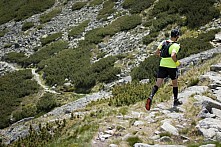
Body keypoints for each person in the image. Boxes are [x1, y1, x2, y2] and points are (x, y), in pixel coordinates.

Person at [145, 28, 182, 111]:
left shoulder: (163, 42)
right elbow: (173, 55)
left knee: (158, 83)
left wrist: (163, 57)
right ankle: (175, 100)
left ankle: (151, 96)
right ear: (177, 36)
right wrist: (177, 63)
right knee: (175, 83)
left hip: (162, 65)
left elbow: (156, 53)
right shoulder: (176, 45)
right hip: (171, 66)